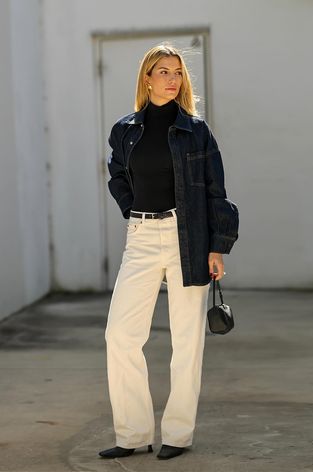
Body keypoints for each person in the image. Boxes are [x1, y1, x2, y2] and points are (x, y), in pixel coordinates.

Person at [98, 44, 239, 461]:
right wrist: (130, 208)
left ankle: (177, 434)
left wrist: (219, 245)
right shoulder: (125, 129)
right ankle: (132, 433)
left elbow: (216, 190)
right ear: (147, 78)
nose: (173, 78)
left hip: (189, 236)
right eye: (163, 71)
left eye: (177, 71)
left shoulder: (197, 130)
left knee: (187, 340)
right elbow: (117, 175)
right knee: (120, 335)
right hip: (141, 235)